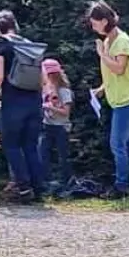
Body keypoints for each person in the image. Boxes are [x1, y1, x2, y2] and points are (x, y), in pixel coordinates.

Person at [87, 0, 129, 198]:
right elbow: (113, 72)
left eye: (94, 23)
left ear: (105, 20)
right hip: (119, 100)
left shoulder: (122, 41)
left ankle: (120, 186)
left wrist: (101, 54)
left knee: (117, 144)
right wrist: (102, 89)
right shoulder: (108, 41)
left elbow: (120, 68)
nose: (92, 27)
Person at [0, 9, 48, 202]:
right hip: (34, 101)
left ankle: (23, 187)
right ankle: (39, 188)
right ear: (15, 25)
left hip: (13, 102)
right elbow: (43, 78)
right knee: (30, 145)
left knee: (11, 145)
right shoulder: (28, 45)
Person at [40, 59, 75, 195]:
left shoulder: (64, 91)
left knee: (63, 155)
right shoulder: (44, 90)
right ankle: (45, 181)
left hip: (61, 126)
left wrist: (50, 108)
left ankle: (65, 181)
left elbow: (66, 113)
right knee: (42, 152)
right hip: (47, 124)